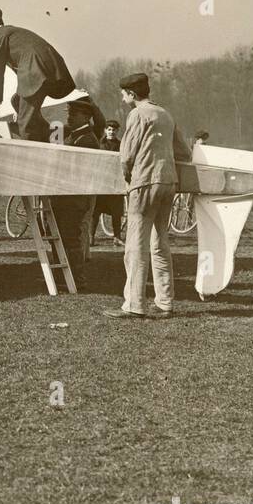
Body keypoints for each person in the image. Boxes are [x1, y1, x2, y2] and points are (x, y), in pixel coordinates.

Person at [103, 72, 189, 320]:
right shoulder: (165, 114)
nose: (122, 97)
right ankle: (164, 301)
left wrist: (128, 175)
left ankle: (134, 304)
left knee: (135, 245)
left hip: (145, 183)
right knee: (160, 242)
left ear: (132, 94)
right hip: (168, 182)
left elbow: (127, 155)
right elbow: (183, 152)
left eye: (123, 93)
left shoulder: (137, 114)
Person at [0, 8, 75, 142]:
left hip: (36, 72)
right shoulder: (14, 32)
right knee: (16, 101)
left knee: (25, 125)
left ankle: (34, 153)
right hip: (53, 71)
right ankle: (60, 133)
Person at [49, 97, 102, 281]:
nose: (69, 117)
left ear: (86, 117)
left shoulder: (87, 139)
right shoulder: (76, 135)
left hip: (74, 198)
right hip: (67, 197)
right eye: (69, 113)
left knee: (70, 237)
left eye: (74, 114)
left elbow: (76, 171)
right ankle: (63, 277)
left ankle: (75, 278)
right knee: (64, 236)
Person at [93, 119, 125, 243]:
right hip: (101, 182)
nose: (111, 132)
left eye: (114, 130)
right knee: (95, 212)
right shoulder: (99, 144)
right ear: (105, 130)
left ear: (117, 131)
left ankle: (117, 237)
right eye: (109, 129)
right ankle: (91, 237)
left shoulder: (121, 145)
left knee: (116, 212)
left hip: (115, 182)